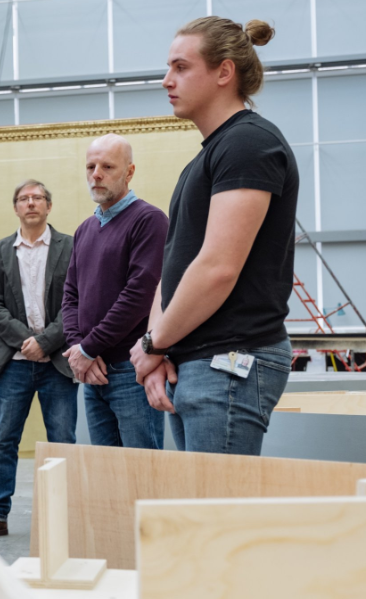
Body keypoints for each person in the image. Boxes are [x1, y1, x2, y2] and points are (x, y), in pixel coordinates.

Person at [130, 17, 299, 456]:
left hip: (229, 360)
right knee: (201, 513)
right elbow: (175, 267)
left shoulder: (248, 144)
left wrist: (154, 344)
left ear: (224, 72)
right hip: (194, 362)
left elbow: (218, 268)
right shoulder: (209, 157)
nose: (167, 80)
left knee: (218, 516)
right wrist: (157, 348)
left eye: (181, 67)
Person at [0, 180, 78, 540]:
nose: (30, 203)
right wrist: (26, 341)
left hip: (57, 362)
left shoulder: (71, 247)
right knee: (4, 440)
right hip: (13, 363)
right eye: (23, 199)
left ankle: (64, 515)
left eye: (37, 198)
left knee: (61, 440)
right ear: (16, 207)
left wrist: (46, 342)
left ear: (49, 206)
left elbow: (78, 303)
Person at [62, 134, 168, 449]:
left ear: (129, 172)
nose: (96, 173)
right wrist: (78, 347)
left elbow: (139, 296)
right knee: (105, 475)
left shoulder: (149, 221)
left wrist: (88, 348)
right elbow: (70, 296)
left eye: (107, 166)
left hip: (130, 371)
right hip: (92, 372)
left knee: (142, 472)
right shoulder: (85, 229)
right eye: (91, 166)